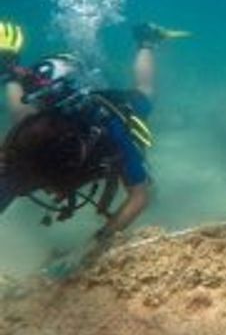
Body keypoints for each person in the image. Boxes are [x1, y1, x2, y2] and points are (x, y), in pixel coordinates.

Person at [0, 20, 187, 272]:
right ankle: (9, 72)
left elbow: (140, 196)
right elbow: (20, 114)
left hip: (110, 113)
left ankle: (147, 41)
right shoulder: (32, 134)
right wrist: (9, 70)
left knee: (144, 94)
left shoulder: (110, 127)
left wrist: (90, 247)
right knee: (23, 124)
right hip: (48, 127)